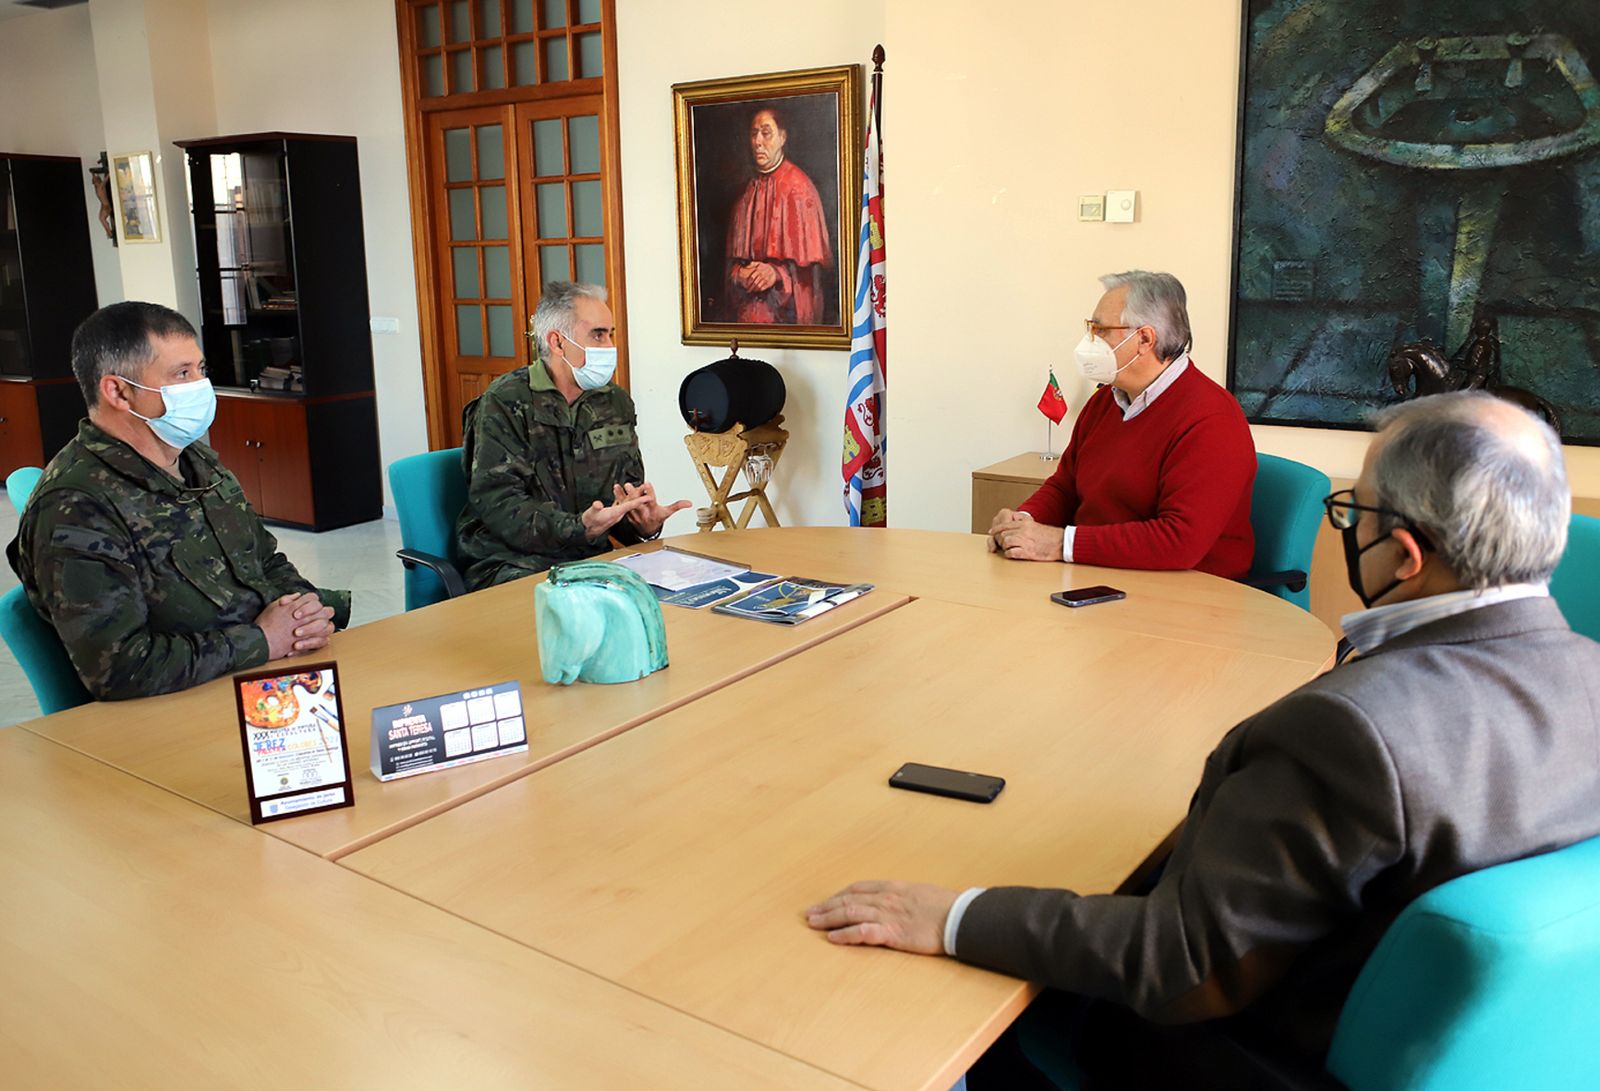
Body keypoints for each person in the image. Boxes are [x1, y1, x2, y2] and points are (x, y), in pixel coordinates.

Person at [808, 391, 1600, 1083]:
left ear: (1405, 554)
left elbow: (1177, 962)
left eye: (1355, 514)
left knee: (933, 1000)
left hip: (1237, 1050)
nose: (1348, 528)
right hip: (1491, 1048)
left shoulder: (1350, 731)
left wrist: (953, 916)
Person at [8, 302, 349, 701]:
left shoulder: (194, 460)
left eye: (201, 369)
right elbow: (120, 668)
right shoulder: (77, 507)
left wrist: (304, 612)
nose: (201, 386)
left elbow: (264, 559)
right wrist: (262, 640)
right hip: (181, 704)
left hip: (264, 676)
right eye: (182, 374)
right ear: (118, 391)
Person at [989, 271, 1256, 579]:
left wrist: (1061, 543)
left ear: (1144, 339)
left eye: (1100, 330)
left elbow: (1180, 541)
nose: (1090, 340)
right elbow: (1066, 486)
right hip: (1102, 573)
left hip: (1190, 589)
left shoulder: (1212, 419)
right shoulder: (1105, 401)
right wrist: (1022, 521)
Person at [455, 282, 689, 589]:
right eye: (598, 335)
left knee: (668, 591)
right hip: (511, 561)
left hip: (587, 556)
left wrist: (643, 525)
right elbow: (499, 504)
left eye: (610, 334)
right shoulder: (505, 401)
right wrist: (579, 528)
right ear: (557, 342)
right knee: (569, 604)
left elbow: (619, 499)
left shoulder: (614, 403)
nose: (609, 346)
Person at [723, 106, 835, 325]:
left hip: (785, 322)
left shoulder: (800, 189)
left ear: (782, 138)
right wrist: (738, 275)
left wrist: (776, 274)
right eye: (754, 134)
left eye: (766, 133)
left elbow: (812, 277)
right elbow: (731, 269)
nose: (758, 142)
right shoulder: (746, 194)